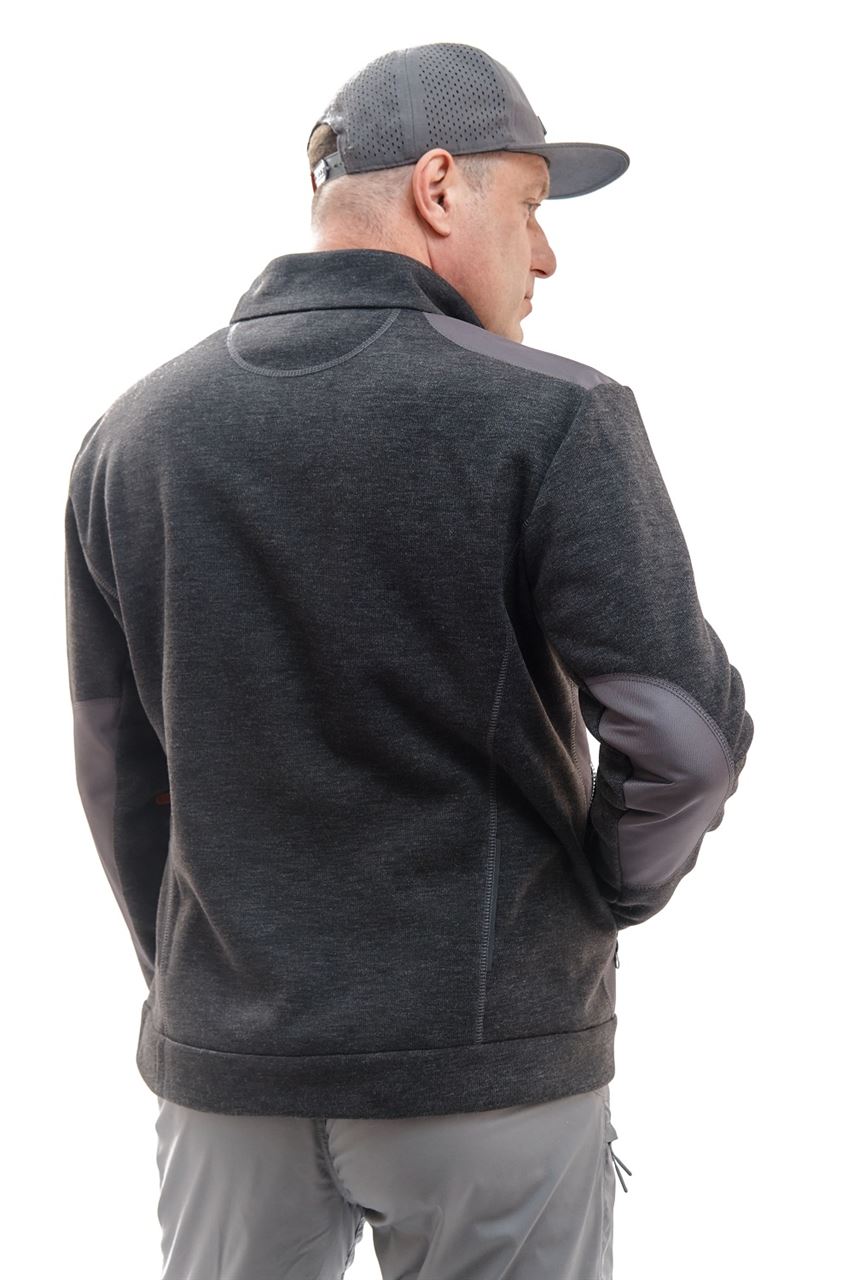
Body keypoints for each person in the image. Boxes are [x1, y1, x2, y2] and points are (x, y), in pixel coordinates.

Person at [63, 40, 753, 1280]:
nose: (546, 255)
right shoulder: (554, 414)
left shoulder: (130, 435)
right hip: (487, 1071)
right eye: (529, 206)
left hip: (229, 1081)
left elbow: (120, 771)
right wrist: (599, 893)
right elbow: (686, 743)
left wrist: (210, 985)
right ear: (439, 187)